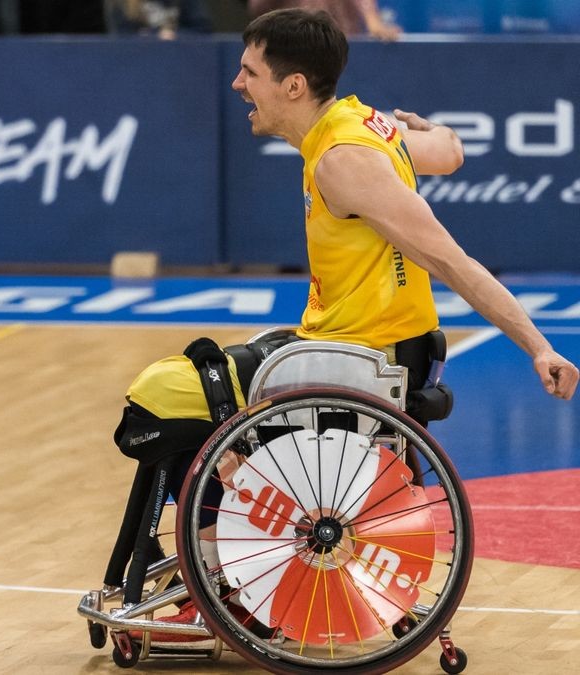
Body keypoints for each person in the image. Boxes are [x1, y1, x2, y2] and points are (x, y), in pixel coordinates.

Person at [107, 6, 577, 636]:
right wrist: (421, 129)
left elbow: (452, 260)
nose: (236, 83)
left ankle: (222, 581)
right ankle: (225, 572)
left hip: (356, 361)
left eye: (249, 72)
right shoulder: (363, 123)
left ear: (293, 86)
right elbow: (452, 152)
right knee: (195, 385)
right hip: (351, 347)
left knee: (159, 398)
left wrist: (538, 346)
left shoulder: (344, 160)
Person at [248, 0, 401, 40]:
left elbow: (365, 5)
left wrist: (373, 22)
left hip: (341, 48)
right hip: (293, 46)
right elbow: (257, 8)